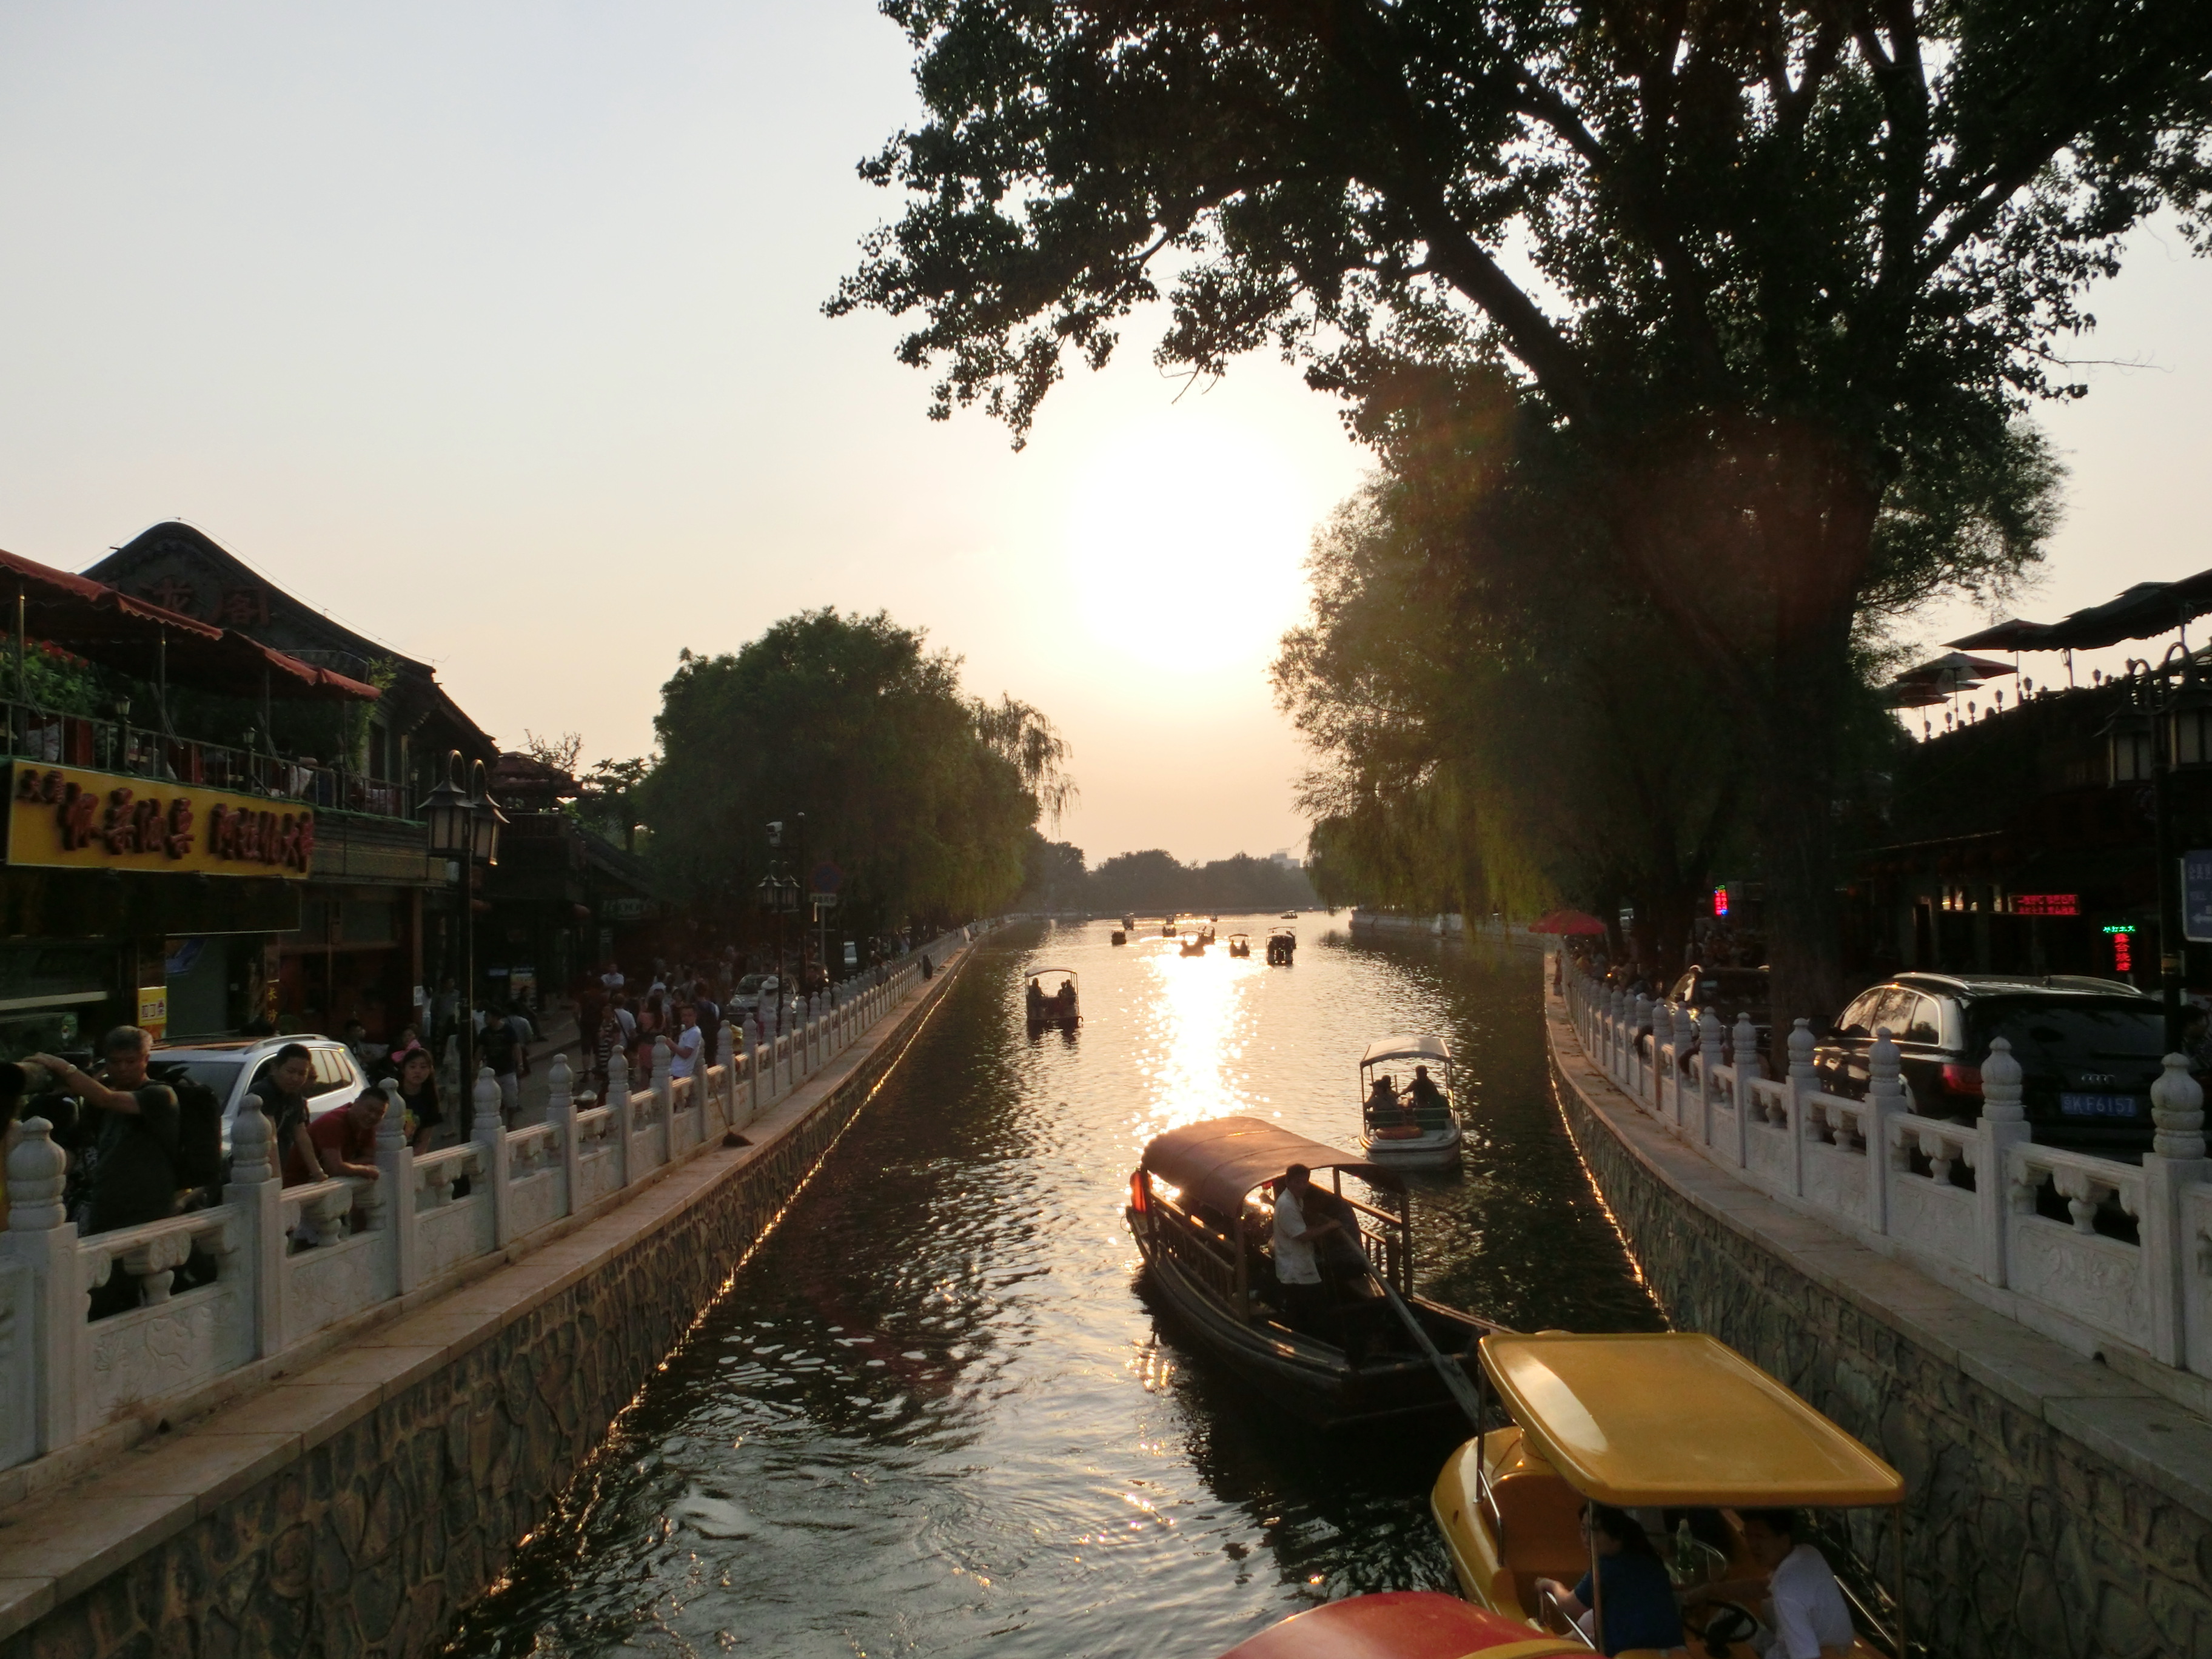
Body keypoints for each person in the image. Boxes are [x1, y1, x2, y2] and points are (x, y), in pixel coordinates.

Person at [1686, 1509, 1854, 1659]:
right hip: (1833, 1648)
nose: (1753, 1546)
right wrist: (1709, 1591)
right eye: (1749, 1536)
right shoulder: (1807, 1554)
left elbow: (1807, 1656)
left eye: (1760, 1537)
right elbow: (1761, 1587)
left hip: (1805, 1651)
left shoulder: (1786, 1593)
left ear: (1784, 1540)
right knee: (1730, 1611)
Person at [1535, 1504, 1684, 1657]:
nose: (1587, 1540)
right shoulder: (1650, 1559)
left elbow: (1570, 1607)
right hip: (1676, 1652)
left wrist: (1552, 1585)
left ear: (1617, 1535)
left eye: (1595, 1531)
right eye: (1583, 1530)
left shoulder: (1608, 1568)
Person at [1270, 1164, 1342, 1335]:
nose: (1303, 1186)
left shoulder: (1296, 1201)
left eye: (1305, 1182)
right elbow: (1302, 1236)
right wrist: (1330, 1226)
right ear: (1288, 1182)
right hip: (1296, 1269)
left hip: (1299, 1264)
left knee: (1303, 1309)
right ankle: (1312, 1342)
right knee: (1313, 1308)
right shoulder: (1287, 1205)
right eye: (1298, 1182)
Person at [386, 1045, 443, 1155]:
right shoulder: (391, 1094)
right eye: (412, 1067)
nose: (418, 1071)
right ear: (403, 1069)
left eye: (423, 1067)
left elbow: (424, 1141)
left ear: (430, 1070)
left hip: (411, 1154)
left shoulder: (430, 1098)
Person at [477, 1006, 521, 1126]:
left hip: (508, 1069)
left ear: (495, 1017)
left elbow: (516, 1047)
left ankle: (510, 1122)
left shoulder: (508, 1030)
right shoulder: (484, 1033)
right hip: (492, 1071)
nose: (485, 1018)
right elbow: (480, 1050)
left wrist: (520, 1064)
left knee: (511, 1099)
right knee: (492, 1099)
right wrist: (475, 1065)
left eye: (488, 1016)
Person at [669, 1002, 704, 1081]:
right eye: (684, 1016)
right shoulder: (685, 1031)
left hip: (681, 1073)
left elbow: (686, 1054)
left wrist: (672, 1045)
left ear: (695, 1016)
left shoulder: (695, 1032)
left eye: (689, 1016)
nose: (686, 1018)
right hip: (675, 1070)